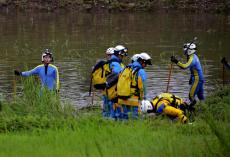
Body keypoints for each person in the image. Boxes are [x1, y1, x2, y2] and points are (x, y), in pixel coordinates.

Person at [117, 52, 152, 119]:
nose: (146, 65)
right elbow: (143, 86)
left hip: (122, 97)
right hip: (133, 100)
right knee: (135, 118)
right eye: (146, 63)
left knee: (124, 117)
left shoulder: (126, 68)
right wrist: (144, 98)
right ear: (142, 61)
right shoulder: (140, 71)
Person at [108, 45, 127, 119]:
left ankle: (113, 122)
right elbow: (118, 74)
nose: (123, 57)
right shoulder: (115, 63)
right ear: (118, 54)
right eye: (122, 55)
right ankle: (113, 123)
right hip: (114, 90)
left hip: (115, 89)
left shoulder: (117, 62)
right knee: (114, 109)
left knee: (114, 108)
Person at [102, 47, 115, 117]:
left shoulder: (106, 64)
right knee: (110, 105)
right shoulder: (114, 64)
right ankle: (109, 118)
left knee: (106, 106)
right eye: (108, 55)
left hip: (106, 89)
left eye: (109, 55)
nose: (109, 56)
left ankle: (105, 118)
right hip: (110, 89)